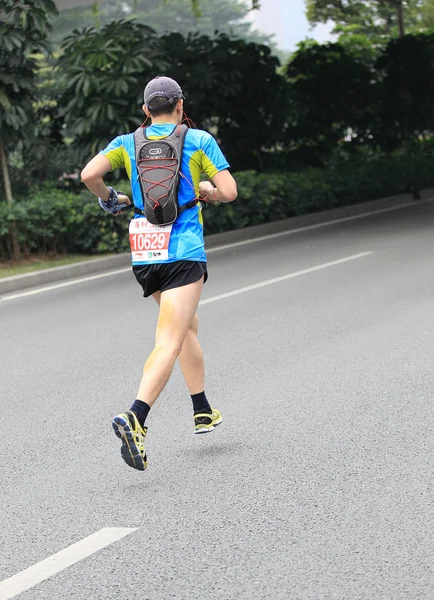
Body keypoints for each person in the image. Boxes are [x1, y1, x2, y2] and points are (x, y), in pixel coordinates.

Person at [81, 76, 237, 471]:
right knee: (170, 337)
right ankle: (136, 416)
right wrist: (208, 189)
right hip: (183, 252)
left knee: (186, 327)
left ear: (146, 110)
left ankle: (202, 410)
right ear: (181, 105)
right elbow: (230, 190)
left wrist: (112, 199)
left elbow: (88, 175)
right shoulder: (199, 140)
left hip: (145, 253)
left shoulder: (127, 143)